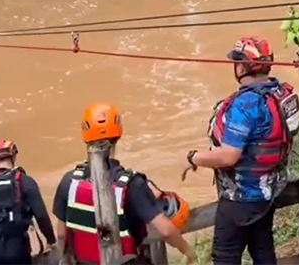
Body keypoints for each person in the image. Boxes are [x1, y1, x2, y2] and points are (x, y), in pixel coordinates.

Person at [184, 37, 299, 265]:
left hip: (239, 199)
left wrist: (194, 157)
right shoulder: (279, 94)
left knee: (226, 257)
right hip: (268, 192)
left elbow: (229, 156)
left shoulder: (245, 104)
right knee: (263, 252)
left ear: (241, 67)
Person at [52, 103, 196, 265]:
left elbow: (62, 234)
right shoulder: (132, 185)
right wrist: (189, 252)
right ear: (118, 134)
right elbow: (165, 230)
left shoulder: (69, 182)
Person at [0, 140, 57, 265]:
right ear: (14, 157)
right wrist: (51, 241)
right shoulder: (24, 182)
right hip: (17, 251)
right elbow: (41, 216)